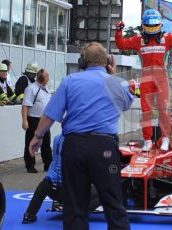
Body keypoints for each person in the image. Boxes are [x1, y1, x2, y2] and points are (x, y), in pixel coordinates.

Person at [29, 42, 132, 230]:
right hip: (105, 148)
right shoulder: (118, 83)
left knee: (75, 205)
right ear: (108, 62)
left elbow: (50, 114)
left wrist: (37, 136)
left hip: (74, 146)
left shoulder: (70, 81)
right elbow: (125, 105)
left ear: (82, 61)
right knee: (113, 202)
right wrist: (113, 75)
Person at [115, 9, 172, 151]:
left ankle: (166, 138)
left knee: (163, 109)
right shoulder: (138, 40)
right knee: (146, 110)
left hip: (161, 77)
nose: (151, 26)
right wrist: (119, 30)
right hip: (146, 78)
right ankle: (148, 140)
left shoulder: (167, 38)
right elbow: (121, 45)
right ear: (143, 24)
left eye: (154, 24)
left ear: (160, 24)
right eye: (148, 24)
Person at [22, 134, 100, 224]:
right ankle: (77, 214)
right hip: (69, 192)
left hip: (51, 189)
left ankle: (29, 215)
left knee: (43, 185)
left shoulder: (57, 138)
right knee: (102, 191)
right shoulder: (80, 142)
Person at [22, 68, 52, 173]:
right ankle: (30, 165)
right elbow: (25, 105)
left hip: (44, 119)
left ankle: (48, 164)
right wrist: (25, 120)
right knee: (31, 142)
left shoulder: (46, 89)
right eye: (47, 77)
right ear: (41, 78)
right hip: (33, 119)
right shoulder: (31, 89)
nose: (48, 79)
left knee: (46, 143)